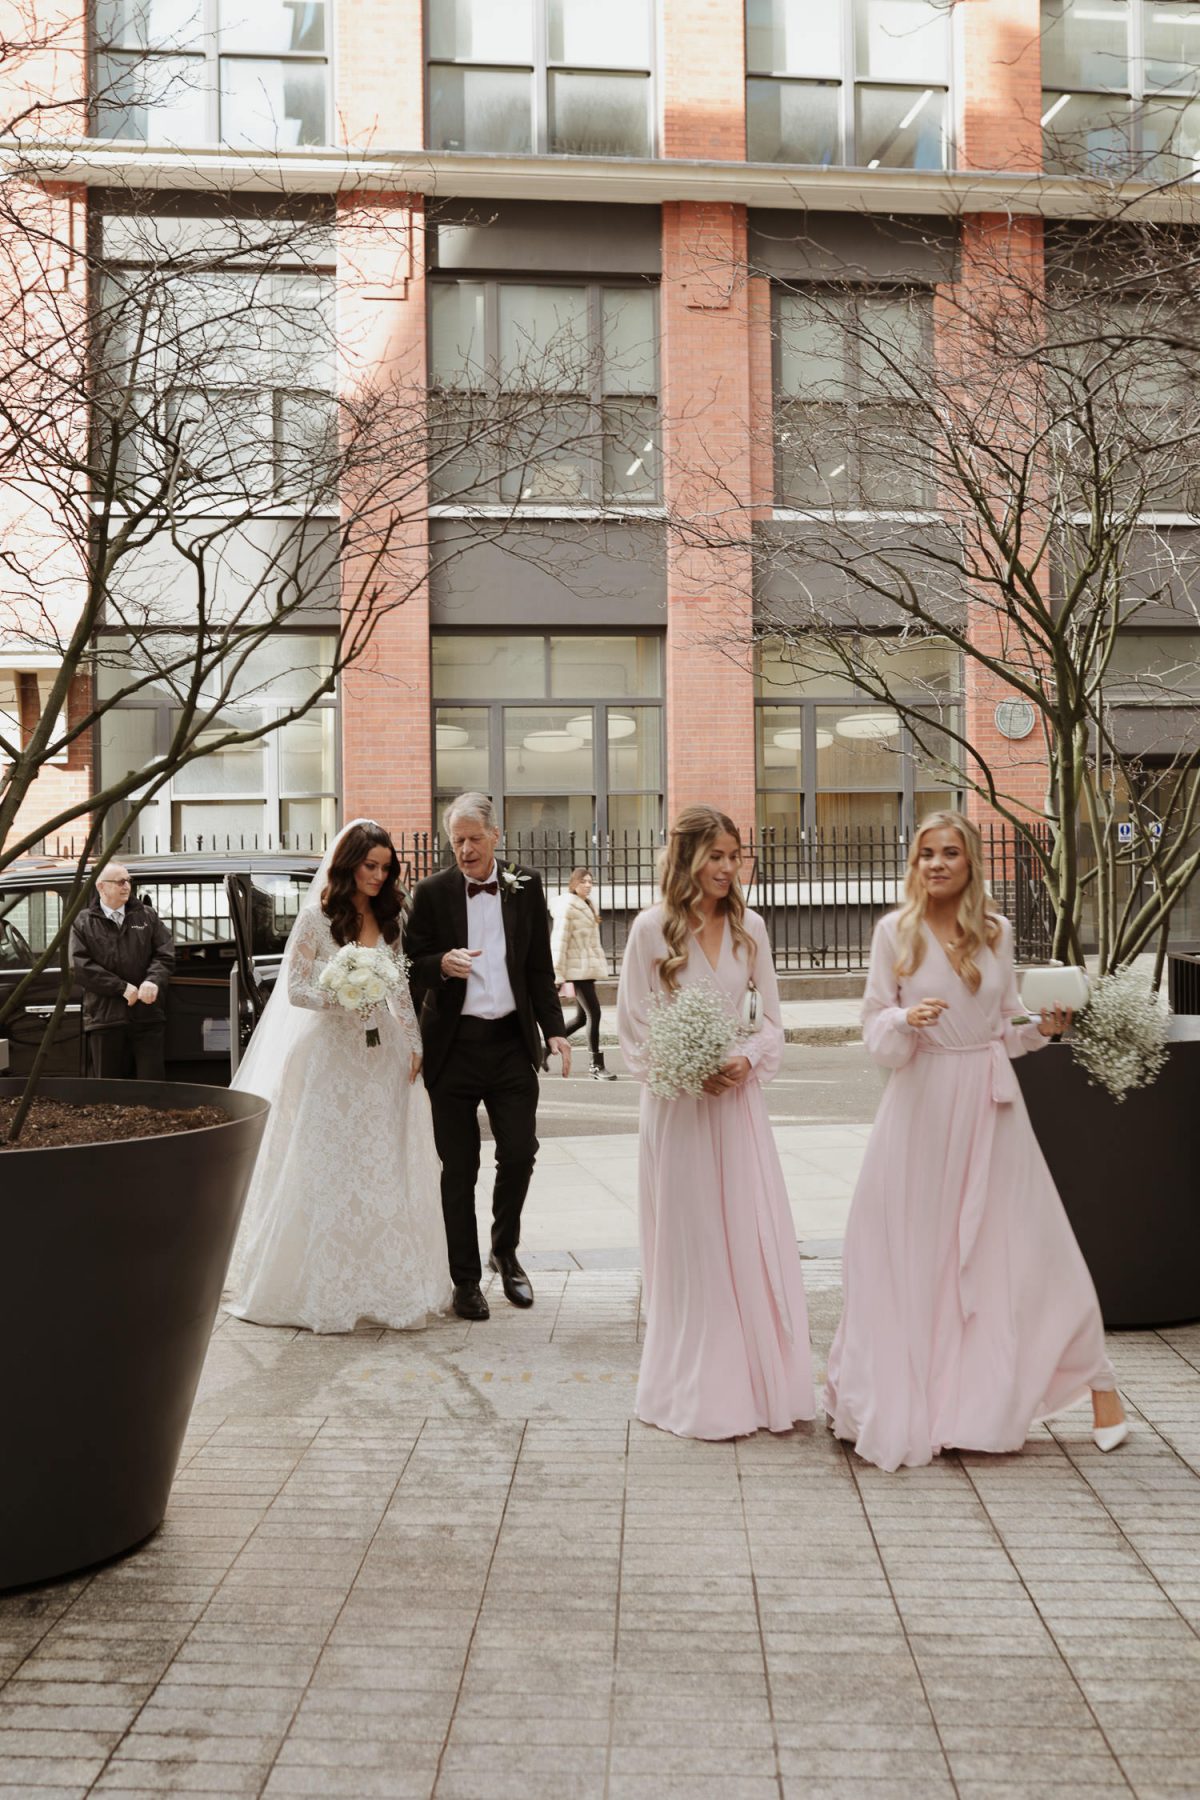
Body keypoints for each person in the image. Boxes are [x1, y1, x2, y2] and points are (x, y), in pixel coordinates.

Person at [825, 810, 1129, 1472]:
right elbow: (874, 1025)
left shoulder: (996, 930)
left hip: (991, 1110)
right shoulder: (892, 933)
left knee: (1032, 1248)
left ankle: (1099, 1383)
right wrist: (906, 1017)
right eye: (926, 853)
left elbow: (1005, 1025)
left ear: (969, 863)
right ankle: (942, 1401)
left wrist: (1044, 1026)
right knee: (909, 1253)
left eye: (950, 853)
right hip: (919, 1109)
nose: (936, 863)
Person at [617, 804, 816, 1440]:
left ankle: (753, 1388)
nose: (728, 867)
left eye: (735, 855)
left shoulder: (750, 927)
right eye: (716, 855)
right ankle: (691, 1386)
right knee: (691, 1242)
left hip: (736, 1109)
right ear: (688, 858)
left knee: (744, 1239)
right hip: (678, 1111)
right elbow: (633, 1027)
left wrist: (743, 1058)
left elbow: (772, 1023)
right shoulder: (651, 930)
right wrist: (683, 1069)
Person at [224, 819, 449, 1333]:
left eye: (386, 868)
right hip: (330, 1055)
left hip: (381, 1056)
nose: (378, 875)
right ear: (348, 864)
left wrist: (414, 1041)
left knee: (380, 1161)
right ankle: (322, 1284)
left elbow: (398, 988)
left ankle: (385, 1283)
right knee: (328, 1162)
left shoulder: (390, 917)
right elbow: (297, 991)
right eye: (371, 866)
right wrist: (347, 994)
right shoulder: (315, 919)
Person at [404, 792, 570, 1322]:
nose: (467, 849)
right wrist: (441, 964)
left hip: (509, 1046)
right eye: (457, 841)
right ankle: (465, 1280)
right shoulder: (430, 893)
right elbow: (408, 965)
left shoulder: (525, 884)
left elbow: (539, 966)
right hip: (452, 1051)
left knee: (519, 1152)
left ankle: (505, 1250)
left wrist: (556, 1030)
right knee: (458, 1168)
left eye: (475, 838)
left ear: (496, 836)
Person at [70, 863, 175, 1080]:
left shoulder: (147, 916)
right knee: (111, 1092)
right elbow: (79, 966)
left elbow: (165, 953)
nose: (126, 886)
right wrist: (121, 988)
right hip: (105, 1018)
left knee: (151, 1087)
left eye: (128, 880)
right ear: (101, 887)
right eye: (120, 882)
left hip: (147, 1017)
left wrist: (152, 981)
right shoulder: (83, 922)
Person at [550, 868, 616, 1081]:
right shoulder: (568, 907)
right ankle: (595, 1065)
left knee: (580, 1018)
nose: (588, 885)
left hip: (587, 969)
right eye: (583, 881)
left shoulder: (588, 904)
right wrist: (557, 974)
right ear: (574, 883)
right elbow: (559, 942)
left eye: (590, 881)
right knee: (594, 1014)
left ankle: (542, 1050)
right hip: (576, 970)